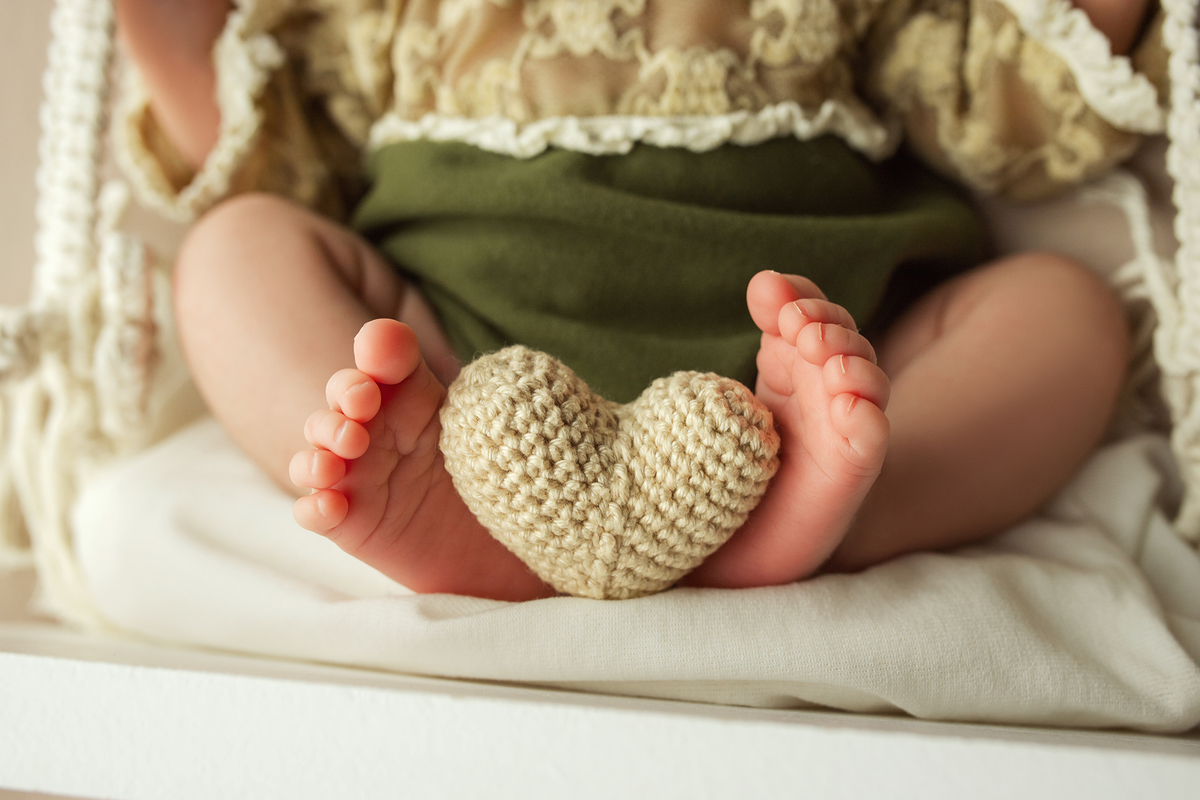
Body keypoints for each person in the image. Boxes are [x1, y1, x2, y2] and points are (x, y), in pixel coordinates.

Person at [114, 0, 1153, 600]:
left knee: (1062, 311)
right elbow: (277, 156)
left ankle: (838, 503)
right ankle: (436, 490)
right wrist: (166, 32)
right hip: (454, 371)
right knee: (234, 250)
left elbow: (1006, 113)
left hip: (811, 372)